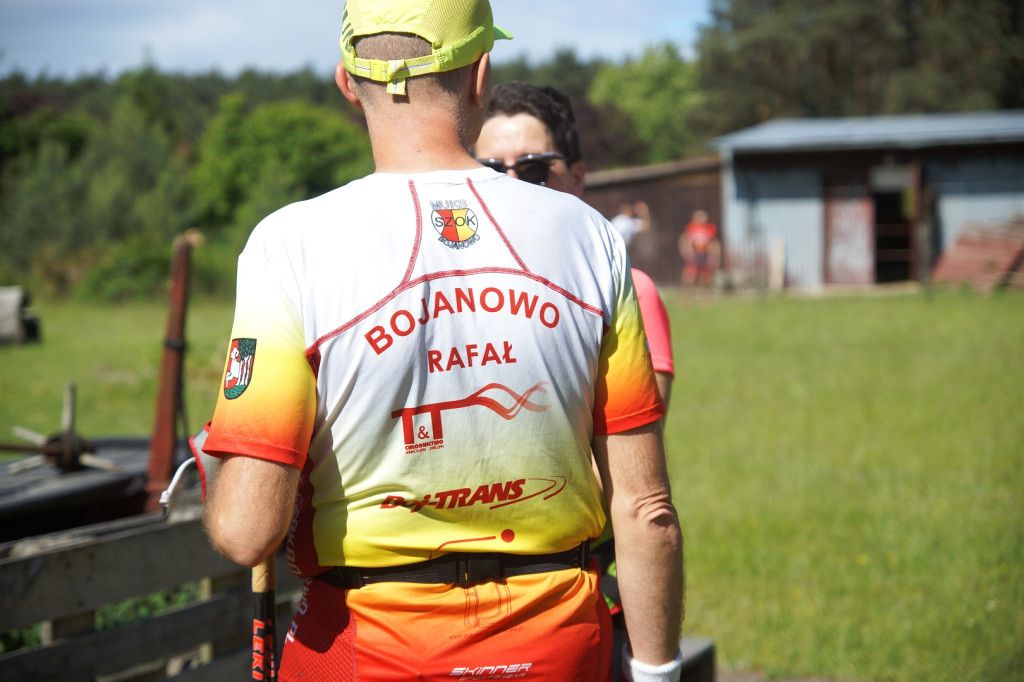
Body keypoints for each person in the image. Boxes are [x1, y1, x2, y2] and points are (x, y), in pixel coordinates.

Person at [199, 1, 684, 680]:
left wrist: (217, 464)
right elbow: (647, 510)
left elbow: (247, 530)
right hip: (560, 642)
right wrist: (658, 672)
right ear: (481, 74)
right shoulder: (588, 235)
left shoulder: (290, 245)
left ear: (347, 82)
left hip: (365, 646)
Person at [475, 82, 678, 676]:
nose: (512, 186)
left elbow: (619, 466)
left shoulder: (627, 289)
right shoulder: (459, 296)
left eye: (535, 169)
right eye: (490, 171)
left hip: (575, 592)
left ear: (579, 177)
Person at [679, 209, 721, 288]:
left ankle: (705, 291)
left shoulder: (710, 228)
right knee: (690, 272)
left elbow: (714, 243)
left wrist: (714, 256)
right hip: (694, 253)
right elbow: (684, 239)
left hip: (705, 253)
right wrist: (685, 251)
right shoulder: (691, 228)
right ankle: (687, 290)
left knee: (706, 274)